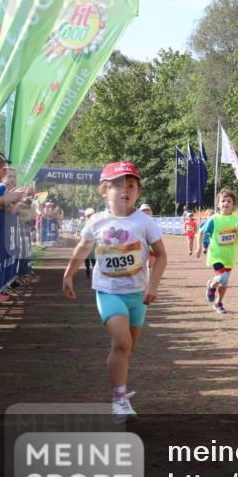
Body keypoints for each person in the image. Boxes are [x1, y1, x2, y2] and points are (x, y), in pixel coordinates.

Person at [62, 161, 167, 421]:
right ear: (103, 191)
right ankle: (118, 399)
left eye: (131, 185)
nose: (125, 190)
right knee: (121, 342)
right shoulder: (97, 222)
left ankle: (119, 386)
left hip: (138, 294)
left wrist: (153, 284)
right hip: (108, 291)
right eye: (118, 185)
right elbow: (82, 250)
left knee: (128, 347)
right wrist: (68, 274)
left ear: (138, 192)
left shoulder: (144, 221)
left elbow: (161, 255)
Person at [201, 188, 238, 314]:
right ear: (218, 204)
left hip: (230, 256)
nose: (226, 203)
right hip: (216, 255)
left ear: (233, 204)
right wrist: (200, 247)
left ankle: (218, 302)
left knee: (225, 281)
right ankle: (211, 286)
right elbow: (202, 232)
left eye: (229, 201)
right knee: (222, 277)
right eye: (223, 201)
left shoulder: (236, 220)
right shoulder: (214, 219)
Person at [79, 208, 97, 277]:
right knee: (86, 258)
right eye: (89, 215)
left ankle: (94, 271)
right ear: (86, 216)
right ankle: (88, 269)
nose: (91, 217)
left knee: (93, 257)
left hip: (93, 244)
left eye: (93, 214)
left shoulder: (96, 224)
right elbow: (78, 233)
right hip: (85, 245)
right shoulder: (83, 224)